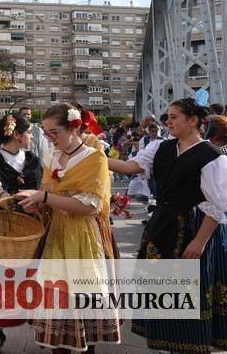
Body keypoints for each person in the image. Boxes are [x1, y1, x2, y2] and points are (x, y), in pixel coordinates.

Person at [107, 98, 227, 353]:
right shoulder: (161, 147)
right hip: (163, 224)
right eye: (168, 117)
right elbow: (130, 167)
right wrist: (92, 154)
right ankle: (167, 341)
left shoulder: (211, 156)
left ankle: (188, 343)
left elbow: (218, 205)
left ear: (193, 121)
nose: (168, 122)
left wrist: (201, 241)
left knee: (189, 288)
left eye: (174, 117)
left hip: (193, 226)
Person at [15, 103, 121, 353]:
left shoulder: (94, 158)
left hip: (83, 236)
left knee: (84, 306)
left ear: (74, 128)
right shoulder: (51, 156)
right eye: (47, 132)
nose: (50, 139)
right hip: (56, 234)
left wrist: (44, 198)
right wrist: (36, 205)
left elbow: (90, 206)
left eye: (55, 133)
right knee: (56, 308)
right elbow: (48, 194)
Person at [0, 112, 42, 354]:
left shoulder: (32, 159)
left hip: (29, 228)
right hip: (0, 229)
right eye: (29, 133)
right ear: (17, 135)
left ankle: (40, 327)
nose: (32, 137)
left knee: (29, 277)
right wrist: (3, 196)